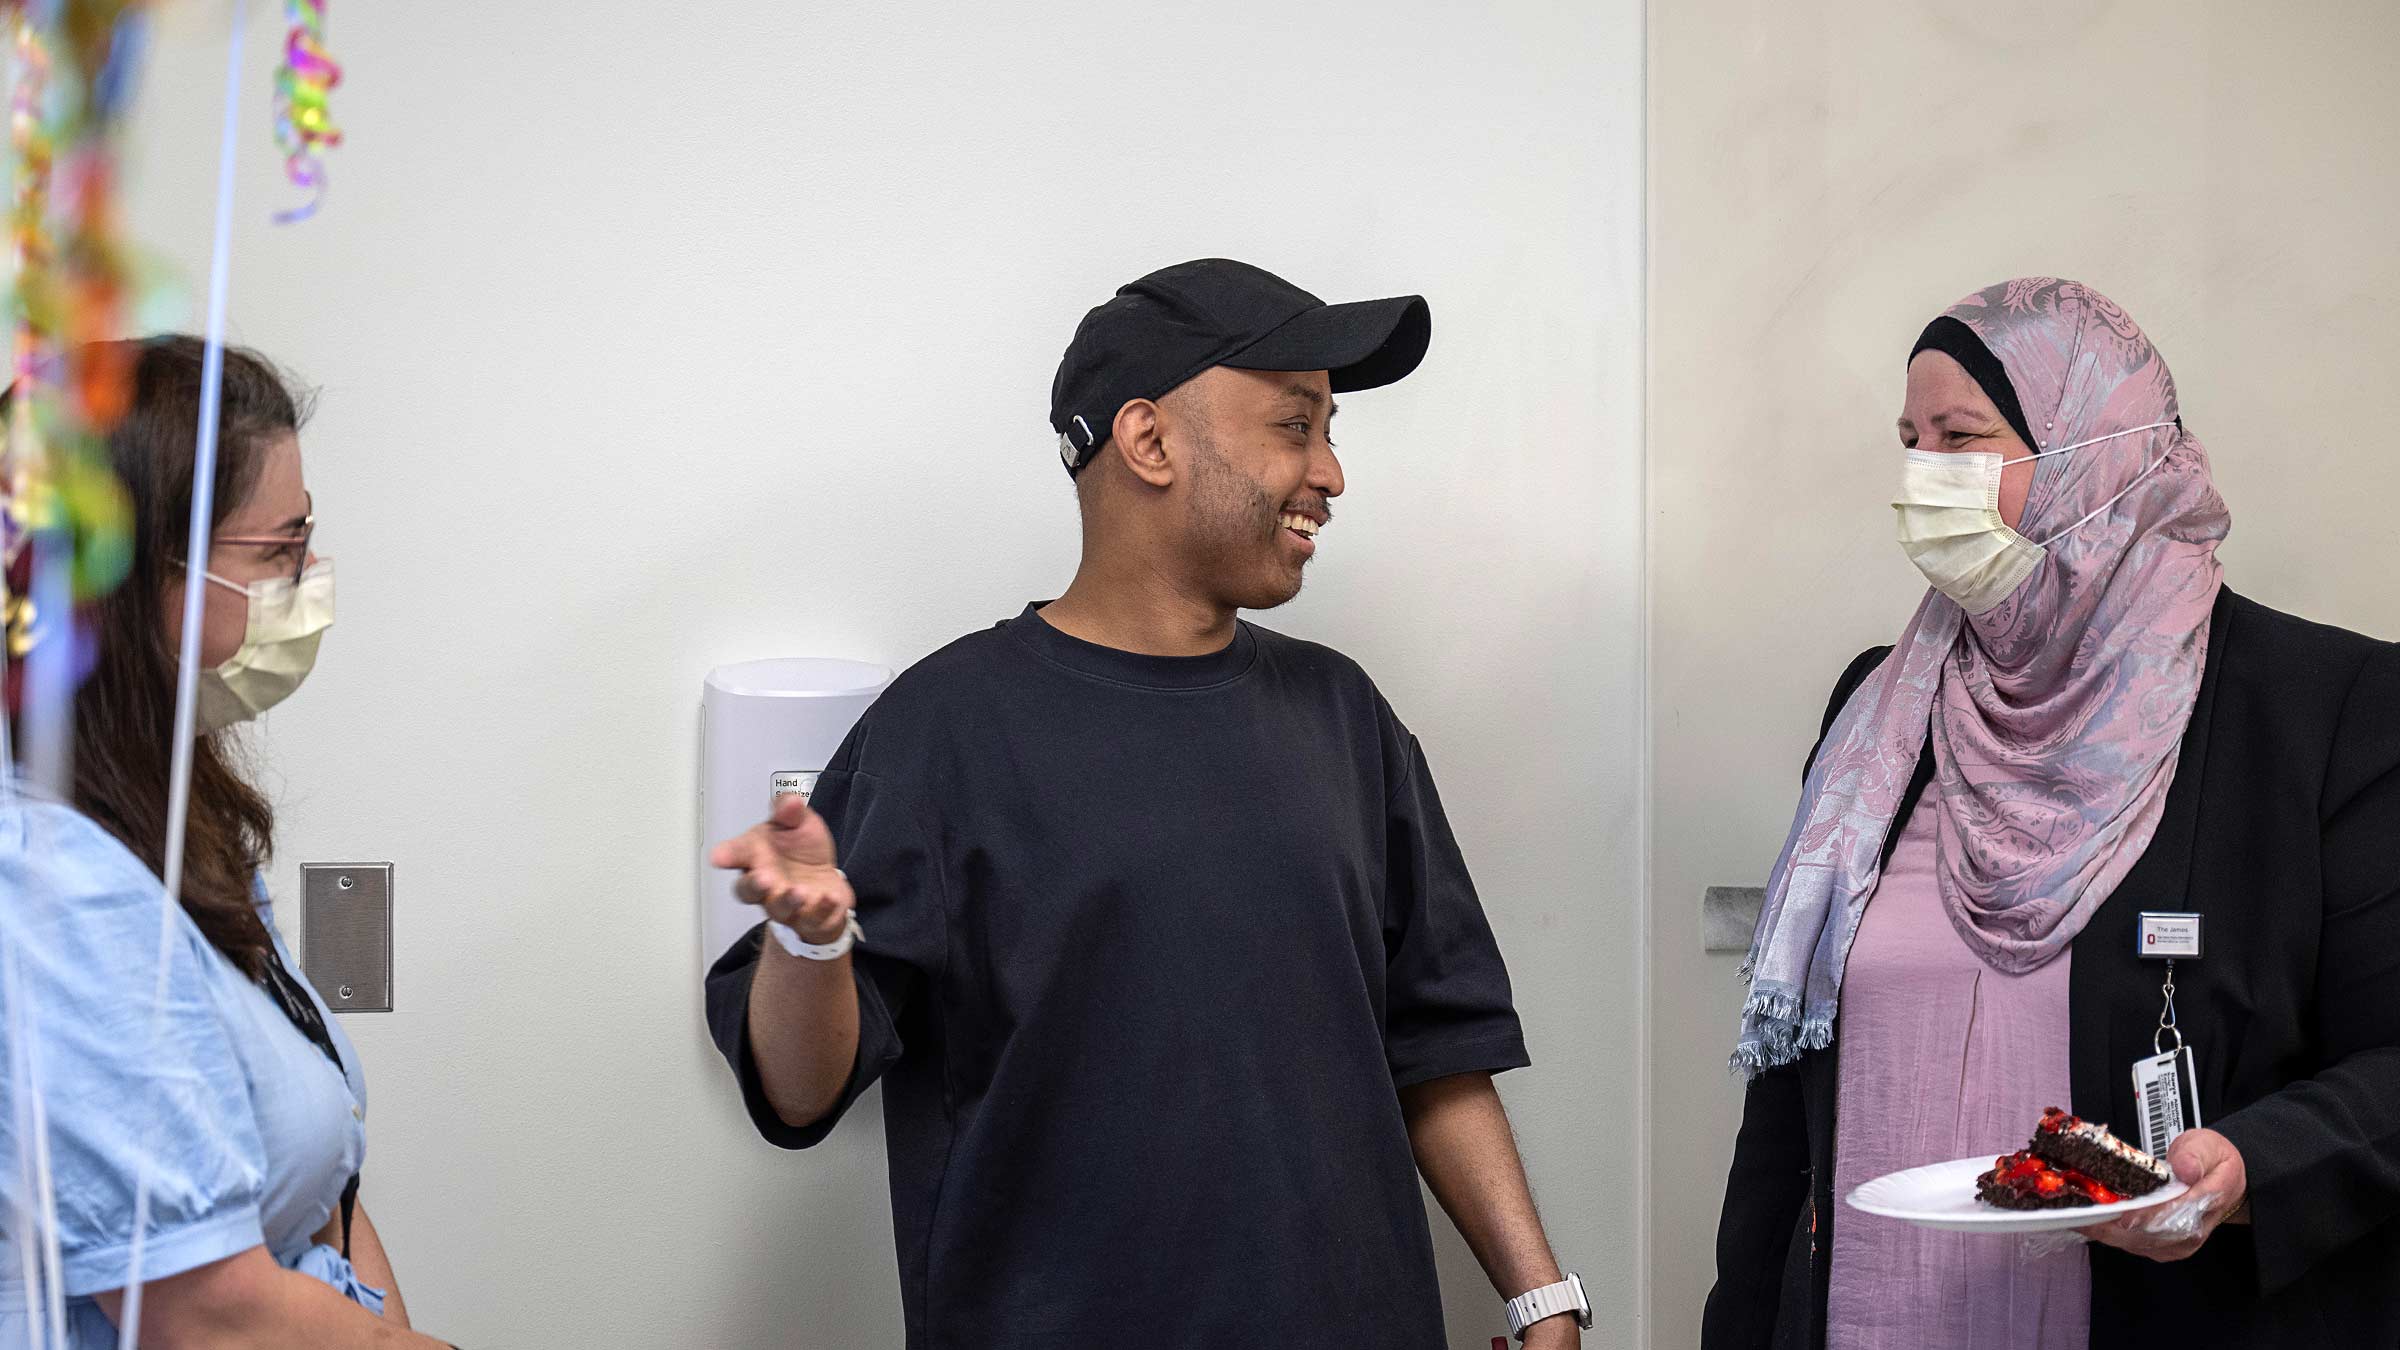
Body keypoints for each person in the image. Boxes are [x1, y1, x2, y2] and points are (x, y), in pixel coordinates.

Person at [704, 259, 1592, 1348]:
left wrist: (1539, 1294)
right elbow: (798, 1095)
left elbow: (1435, 1049)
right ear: (1150, 441)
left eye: (1330, 429)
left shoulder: (1343, 718)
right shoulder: (943, 734)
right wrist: (810, 946)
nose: (1331, 473)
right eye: (1293, 425)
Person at [1702, 278, 2400, 1349]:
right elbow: (1784, 1111)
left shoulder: (2325, 712)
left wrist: (2254, 1166)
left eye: (1964, 437)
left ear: (2096, 453)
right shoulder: (1879, 714)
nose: (1926, 477)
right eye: (1911, 440)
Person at [0, 337, 456, 1347]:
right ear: (128, 576)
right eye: (278, 547)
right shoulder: (46, 879)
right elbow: (206, 1312)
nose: (309, 576)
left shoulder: (162, 800)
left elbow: (320, 1187)